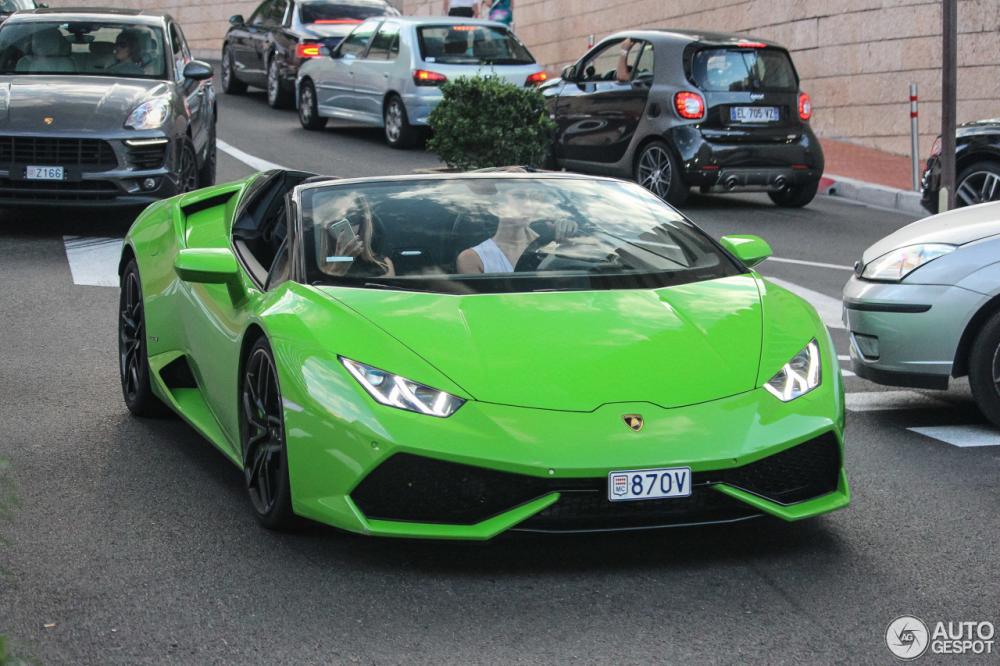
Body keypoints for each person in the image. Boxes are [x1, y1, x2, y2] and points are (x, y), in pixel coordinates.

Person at [456, 188, 576, 274]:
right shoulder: (472, 259)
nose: (528, 204)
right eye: (519, 196)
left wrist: (569, 236)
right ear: (496, 207)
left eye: (533, 198)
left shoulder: (550, 241)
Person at [319, 196, 395, 278]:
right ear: (325, 225)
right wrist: (338, 268)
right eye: (335, 217)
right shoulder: (314, 268)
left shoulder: (383, 266)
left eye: (352, 216)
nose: (346, 223)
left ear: (362, 221)